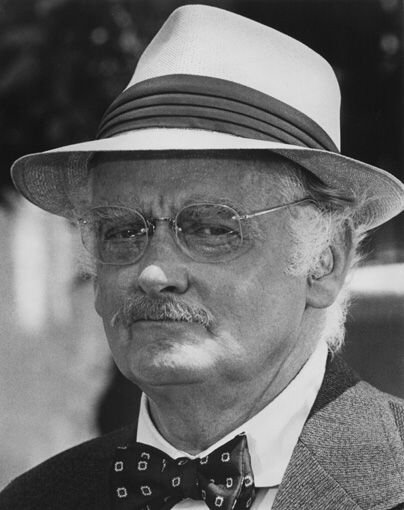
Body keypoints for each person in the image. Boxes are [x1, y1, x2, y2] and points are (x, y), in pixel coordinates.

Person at [1, 4, 404, 510]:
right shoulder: (35, 500)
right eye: (121, 230)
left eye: (212, 228)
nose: (153, 273)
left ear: (325, 260)